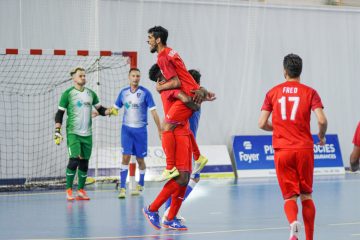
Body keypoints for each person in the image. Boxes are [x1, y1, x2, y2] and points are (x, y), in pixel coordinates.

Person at [143, 26, 215, 231]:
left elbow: (180, 80)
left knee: (185, 177)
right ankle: (154, 207)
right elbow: (184, 92)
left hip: (182, 131)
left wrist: (201, 92)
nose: (147, 41)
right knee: (180, 174)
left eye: (149, 38)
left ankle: (169, 217)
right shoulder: (170, 88)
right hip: (175, 134)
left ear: (158, 39)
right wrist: (200, 97)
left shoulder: (165, 59)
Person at [258, 54, 328, 240]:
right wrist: (321, 135)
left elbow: (262, 123)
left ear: (284, 71)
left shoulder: (272, 92)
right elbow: (321, 120)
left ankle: (293, 227)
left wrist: (280, 127)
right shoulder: (310, 92)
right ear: (300, 71)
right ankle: (309, 237)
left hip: (282, 150)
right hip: (304, 149)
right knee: (306, 194)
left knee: (290, 197)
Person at [54, 66, 118, 201]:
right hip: (73, 133)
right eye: (80, 76)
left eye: (84, 76)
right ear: (74, 78)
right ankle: (69, 190)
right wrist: (57, 131)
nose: (83, 78)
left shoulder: (91, 94)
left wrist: (110, 111)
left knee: (84, 162)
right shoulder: (68, 94)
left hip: (87, 134)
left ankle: (81, 191)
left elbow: (100, 110)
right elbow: (60, 114)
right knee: (74, 160)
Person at [162, 69, 204, 223]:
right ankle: (168, 211)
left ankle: (170, 210)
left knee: (183, 179)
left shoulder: (190, 98)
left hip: (186, 143)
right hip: (183, 144)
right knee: (183, 179)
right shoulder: (190, 99)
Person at [113, 68, 162, 199]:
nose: (135, 78)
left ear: (140, 78)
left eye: (138, 76)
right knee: (125, 158)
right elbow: (114, 109)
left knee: (140, 160)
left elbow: (154, 112)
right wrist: (100, 112)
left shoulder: (145, 93)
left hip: (141, 131)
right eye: (133, 76)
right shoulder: (123, 93)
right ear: (129, 77)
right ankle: (123, 187)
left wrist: (160, 129)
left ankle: (141, 182)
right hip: (127, 130)